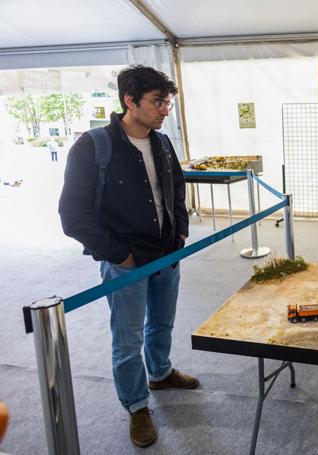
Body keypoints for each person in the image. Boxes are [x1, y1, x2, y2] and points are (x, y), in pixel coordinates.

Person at [58, 65, 198, 448]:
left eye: (168, 102)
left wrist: (180, 231)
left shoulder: (163, 144)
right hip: (126, 262)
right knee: (127, 337)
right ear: (129, 101)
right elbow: (73, 216)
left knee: (162, 323)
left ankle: (161, 372)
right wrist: (120, 255)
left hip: (167, 254)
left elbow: (177, 192)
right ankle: (137, 406)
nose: (165, 109)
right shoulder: (93, 146)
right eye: (158, 102)